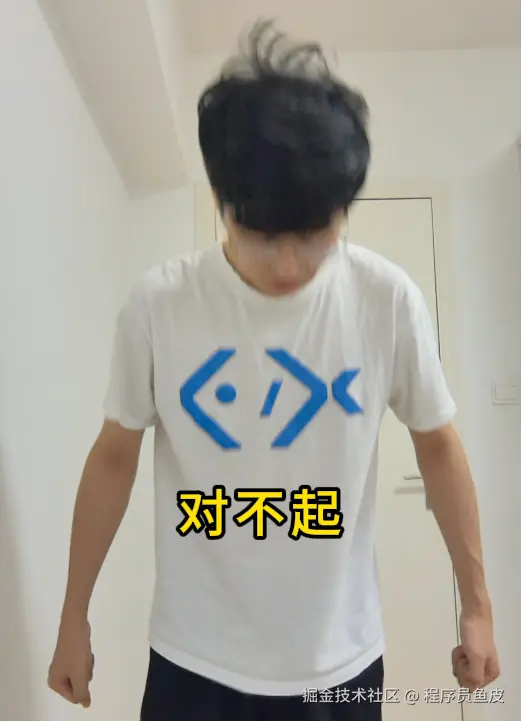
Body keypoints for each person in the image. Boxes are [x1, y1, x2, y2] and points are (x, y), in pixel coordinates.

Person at [48, 20, 499, 722]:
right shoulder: (160, 306)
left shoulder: (385, 300)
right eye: (261, 237)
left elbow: (438, 445)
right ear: (221, 202)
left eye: (314, 235)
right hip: (193, 660)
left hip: (339, 663)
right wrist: (73, 616)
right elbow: (113, 457)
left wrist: (476, 606)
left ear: (343, 210)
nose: (288, 266)